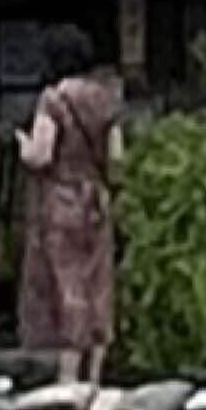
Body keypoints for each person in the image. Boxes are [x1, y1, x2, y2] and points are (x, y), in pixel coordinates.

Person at [17, 28, 125, 386]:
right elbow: (117, 159)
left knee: (68, 285)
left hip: (62, 201)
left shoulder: (53, 100)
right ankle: (94, 377)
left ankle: (68, 380)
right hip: (97, 199)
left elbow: (42, 154)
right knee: (99, 284)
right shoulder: (106, 100)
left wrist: (23, 145)